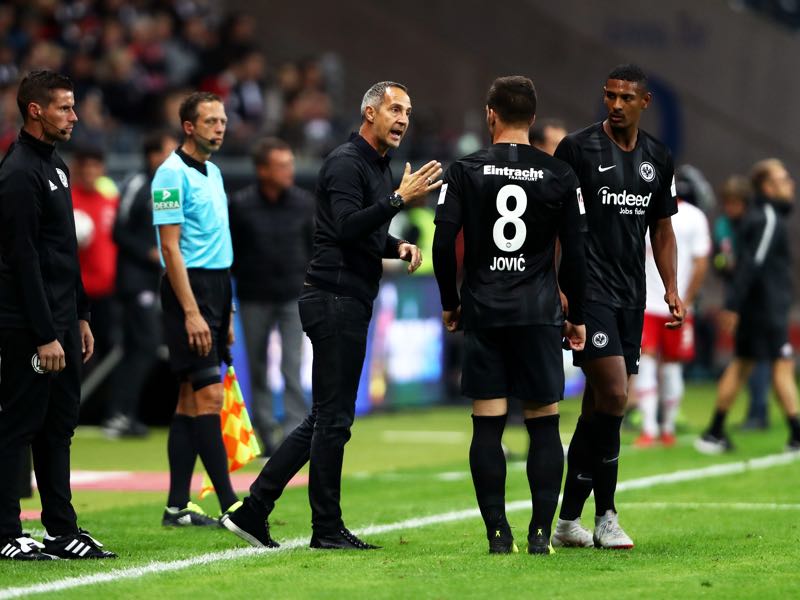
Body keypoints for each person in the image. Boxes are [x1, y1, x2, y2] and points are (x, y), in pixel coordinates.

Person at [221, 80, 441, 550]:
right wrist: (398, 201)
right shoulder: (346, 163)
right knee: (332, 419)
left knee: (325, 417)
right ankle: (323, 527)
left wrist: (395, 245)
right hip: (334, 297)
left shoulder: (376, 166)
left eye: (408, 111)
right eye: (395, 109)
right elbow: (343, 227)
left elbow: (361, 231)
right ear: (369, 113)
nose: (403, 118)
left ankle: (256, 509)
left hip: (346, 297)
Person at [433, 76, 587, 554]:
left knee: (488, 423)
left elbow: (442, 244)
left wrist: (450, 302)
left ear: (490, 115)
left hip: (485, 309)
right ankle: (541, 534)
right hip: (539, 311)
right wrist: (574, 312)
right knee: (544, 421)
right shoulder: (560, 175)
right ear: (534, 119)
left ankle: (498, 535)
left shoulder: (463, 170)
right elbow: (578, 254)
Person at [552, 64, 683, 550]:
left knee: (598, 408)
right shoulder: (578, 149)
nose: (615, 104)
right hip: (590, 294)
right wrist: (561, 288)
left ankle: (568, 521)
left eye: (626, 98)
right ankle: (607, 514)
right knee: (614, 398)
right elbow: (556, 223)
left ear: (644, 102)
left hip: (633, 296)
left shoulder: (658, 157)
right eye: (609, 96)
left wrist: (671, 286)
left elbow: (662, 228)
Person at [0, 70, 115, 560]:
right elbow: (20, 259)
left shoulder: (57, 166)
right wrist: (47, 334)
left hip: (64, 319)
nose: (74, 116)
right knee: (19, 425)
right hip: (29, 324)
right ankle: (6, 531)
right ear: (36, 111)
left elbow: (63, 251)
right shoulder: (19, 173)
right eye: (65, 108)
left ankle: (60, 529)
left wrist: (81, 315)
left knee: (58, 425)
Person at [152, 91, 240, 526]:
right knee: (209, 395)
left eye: (222, 120)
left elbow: (220, 243)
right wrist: (191, 312)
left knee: (190, 400)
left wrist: (229, 312)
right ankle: (231, 505)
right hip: (190, 290)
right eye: (210, 121)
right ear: (189, 126)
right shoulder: (169, 176)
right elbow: (171, 248)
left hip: (219, 288)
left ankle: (176, 507)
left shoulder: (215, 172)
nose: (220, 127)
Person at [695, 158, 800, 454]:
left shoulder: (760, 216)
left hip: (759, 306)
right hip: (764, 309)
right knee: (780, 364)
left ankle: (714, 432)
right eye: (783, 178)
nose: (790, 183)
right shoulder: (767, 216)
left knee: (744, 365)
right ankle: (795, 435)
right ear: (767, 186)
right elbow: (752, 264)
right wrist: (731, 305)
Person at [229, 137, 314, 455]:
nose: (289, 170)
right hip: (254, 296)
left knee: (292, 366)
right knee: (258, 367)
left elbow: (313, 248)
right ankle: (266, 435)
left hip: (294, 296)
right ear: (262, 170)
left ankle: (293, 436)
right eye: (281, 165)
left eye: (290, 164)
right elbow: (231, 253)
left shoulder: (304, 202)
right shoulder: (240, 204)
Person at [104, 130, 178, 438]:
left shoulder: (166, 187)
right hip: (135, 280)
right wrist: (148, 251)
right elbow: (118, 231)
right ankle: (120, 413)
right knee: (145, 346)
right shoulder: (136, 184)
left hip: (153, 279)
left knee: (139, 348)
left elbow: (168, 229)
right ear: (153, 155)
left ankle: (123, 413)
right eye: (168, 152)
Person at [634, 165, 711, 447]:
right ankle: (660, 429)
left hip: (656, 303)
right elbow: (701, 262)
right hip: (659, 304)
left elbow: (701, 262)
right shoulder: (694, 217)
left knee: (657, 364)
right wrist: (687, 299)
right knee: (664, 364)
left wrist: (686, 299)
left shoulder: (649, 212)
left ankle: (655, 429)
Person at [712, 175, 771, 430]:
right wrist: (724, 265)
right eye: (727, 203)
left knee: (758, 356)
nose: (730, 208)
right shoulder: (724, 226)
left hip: (759, 299)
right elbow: (719, 261)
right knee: (746, 356)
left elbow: (757, 265)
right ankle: (755, 412)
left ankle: (758, 411)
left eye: (735, 203)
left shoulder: (755, 223)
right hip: (737, 296)